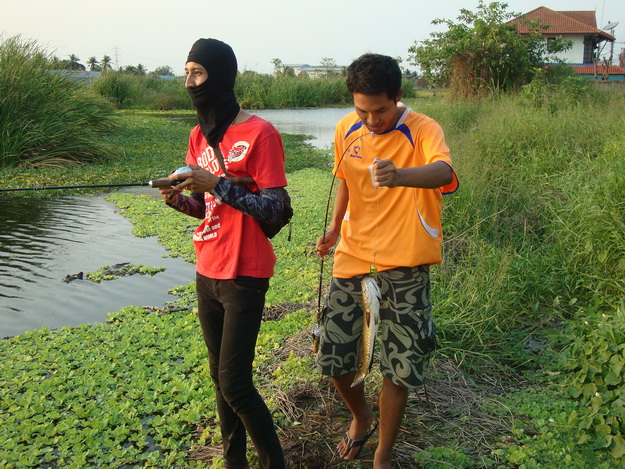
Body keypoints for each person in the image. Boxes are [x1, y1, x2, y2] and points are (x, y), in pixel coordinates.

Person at [315, 53, 459, 468]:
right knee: (333, 355)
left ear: (398, 96)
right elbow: (346, 182)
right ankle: (362, 417)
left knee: (400, 366)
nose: (371, 119)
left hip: (406, 262)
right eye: (362, 109)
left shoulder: (423, 129)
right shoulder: (347, 128)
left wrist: (400, 175)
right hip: (353, 256)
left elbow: (444, 173)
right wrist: (335, 227)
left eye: (380, 109)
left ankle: (383, 454)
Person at [157, 38, 287, 469]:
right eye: (186, 73)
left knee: (235, 382)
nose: (190, 82)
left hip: (245, 271)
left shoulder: (260, 132)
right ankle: (235, 462)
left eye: (198, 73)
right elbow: (207, 211)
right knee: (218, 378)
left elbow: (274, 207)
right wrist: (178, 198)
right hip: (207, 269)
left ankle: (274, 464)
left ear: (221, 76)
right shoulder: (198, 135)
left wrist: (216, 183)